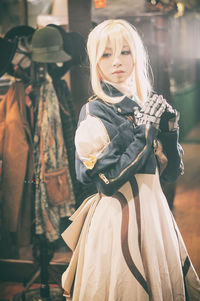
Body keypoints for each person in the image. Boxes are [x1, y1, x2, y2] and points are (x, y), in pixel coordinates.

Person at [61, 19, 200, 301]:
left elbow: (171, 173)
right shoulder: (94, 112)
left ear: (137, 54)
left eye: (125, 52)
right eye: (106, 54)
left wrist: (170, 131)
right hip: (117, 221)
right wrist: (145, 131)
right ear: (95, 61)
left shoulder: (144, 102)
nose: (117, 62)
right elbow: (107, 182)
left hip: (156, 215)